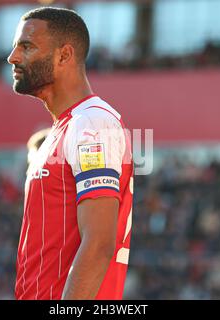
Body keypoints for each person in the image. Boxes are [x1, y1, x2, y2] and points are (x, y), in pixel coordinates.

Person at [7, 7, 134, 300]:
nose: (12, 57)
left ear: (64, 55)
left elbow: (99, 243)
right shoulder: (65, 129)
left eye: (26, 46)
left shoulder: (91, 123)